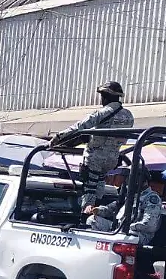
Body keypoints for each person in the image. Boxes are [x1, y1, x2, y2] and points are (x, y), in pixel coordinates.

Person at [50, 81, 134, 209]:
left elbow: (81, 126)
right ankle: (97, 206)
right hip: (112, 159)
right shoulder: (128, 116)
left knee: (89, 188)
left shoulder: (103, 112)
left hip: (95, 158)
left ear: (106, 96)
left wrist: (59, 137)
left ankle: (86, 214)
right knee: (100, 182)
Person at [83, 165, 162, 245]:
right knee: (92, 220)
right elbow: (111, 208)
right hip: (120, 228)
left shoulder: (151, 198)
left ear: (142, 180)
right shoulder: (131, 196)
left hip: (138, 234)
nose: (127, 181)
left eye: (130, 178)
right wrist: (97, 210)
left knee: (123, 235)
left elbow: (149, 225)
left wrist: (128, 226)